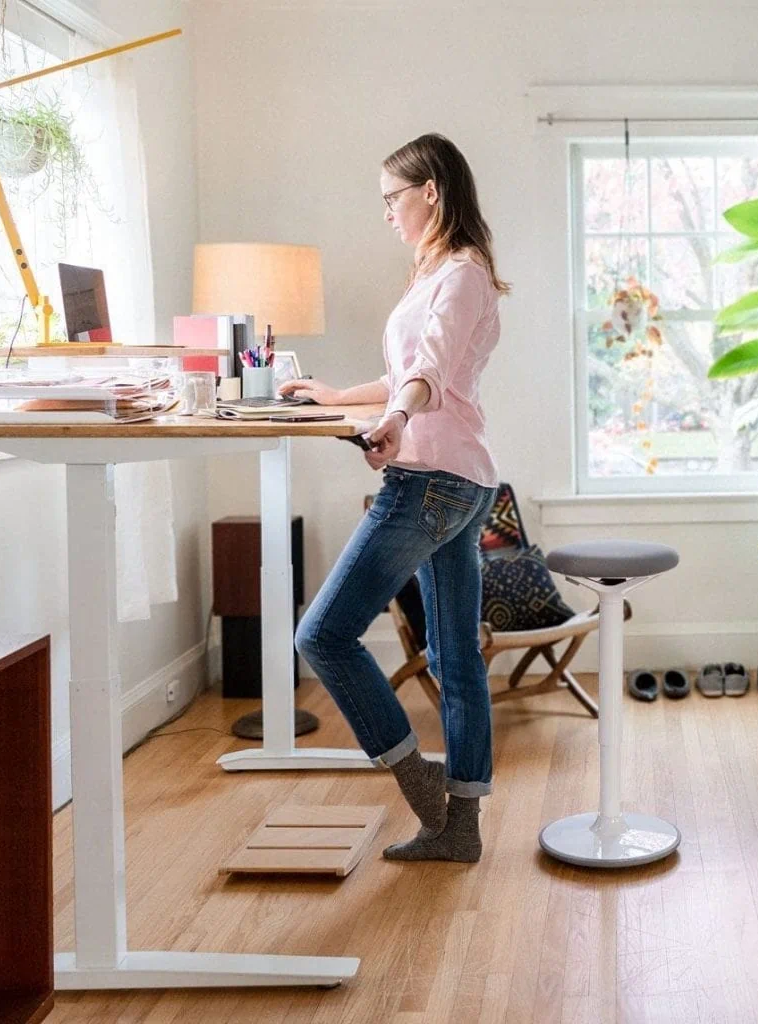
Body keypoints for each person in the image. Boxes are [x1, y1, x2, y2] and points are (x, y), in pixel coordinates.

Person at [281, 133, 510, 863]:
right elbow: (410, 370)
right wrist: (336, 395)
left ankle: (424, 795)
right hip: (461, 479)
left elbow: (429, 373)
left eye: (392, 198)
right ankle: (460, 831)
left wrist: (396, 419)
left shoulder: (460, 276)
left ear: (430, 192)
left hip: (433, 480)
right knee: (453, 658)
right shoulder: (439, 272)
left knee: (321, 636)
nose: (386, 213)